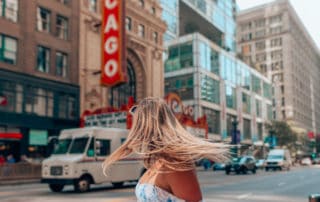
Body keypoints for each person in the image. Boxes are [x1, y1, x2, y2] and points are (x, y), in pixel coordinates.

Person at [103, 97, 228, 202]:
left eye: (137, 125)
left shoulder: (176, 162)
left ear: (148, 126)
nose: (133, 131)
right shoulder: (156, 162)